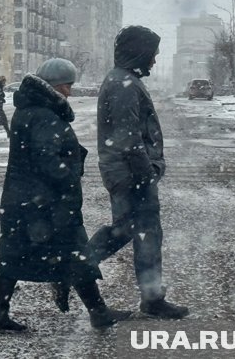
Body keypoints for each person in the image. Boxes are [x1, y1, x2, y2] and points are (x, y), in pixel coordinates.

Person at [0, 58, 131, 331]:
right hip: (46, 204)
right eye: (67, 86)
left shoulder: (29, 109)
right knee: (75, 254)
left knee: (14, 258)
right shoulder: (44, 114)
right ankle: (98, 312)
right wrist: (69, 177)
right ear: (55, 86)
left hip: (24, 201)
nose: (70, 92)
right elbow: (46, 158)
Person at [84, 25, 189, 320]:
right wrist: (147, 173)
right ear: (139, 52)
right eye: (152, 53)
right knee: (135, 232)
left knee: (140, 232)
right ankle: (75, 267)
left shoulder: (125, 80)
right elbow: (129, 139)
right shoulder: (122, 85)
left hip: (129, 172)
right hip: (131, 174)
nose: (155, 59)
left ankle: (151, 297)